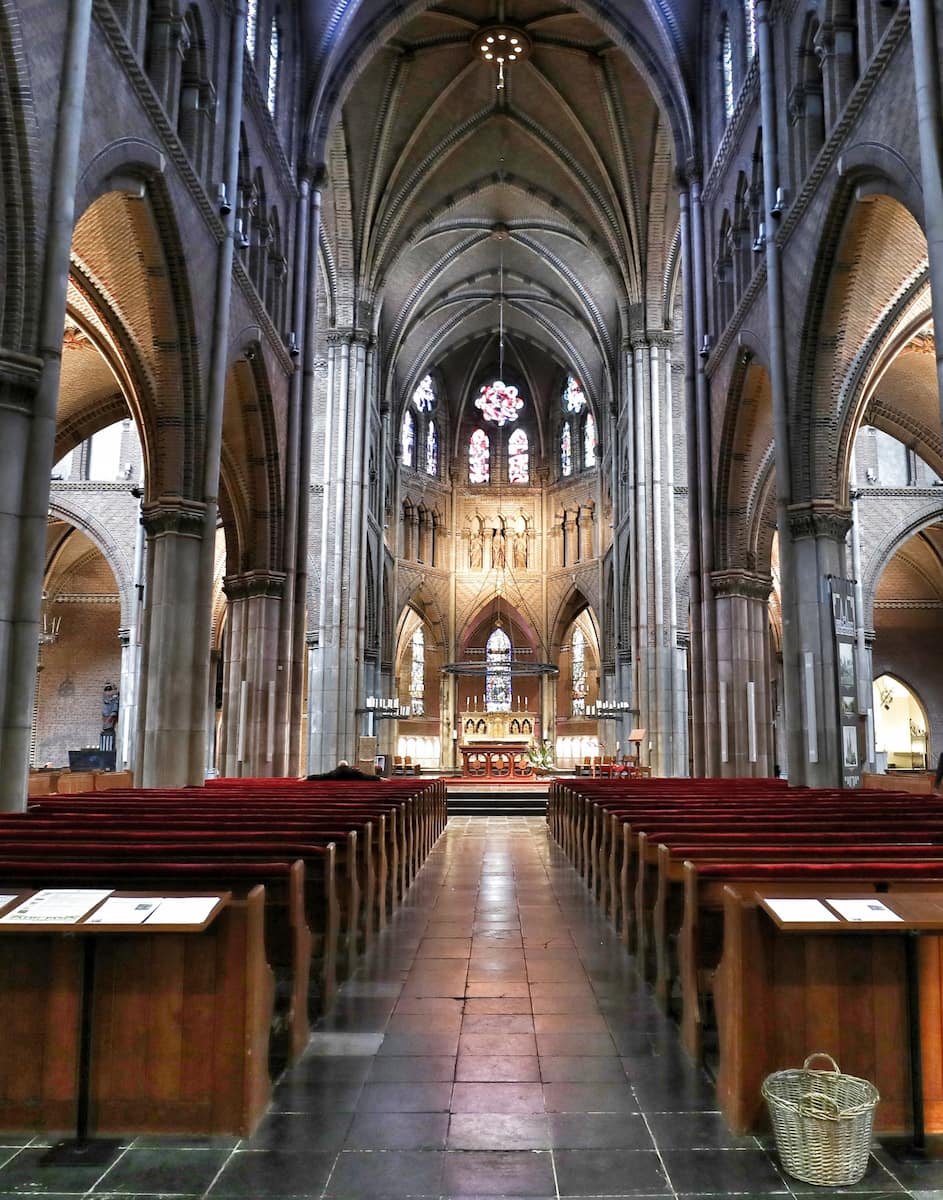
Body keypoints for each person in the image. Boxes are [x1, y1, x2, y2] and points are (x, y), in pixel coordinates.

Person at [305, 759, 382, 782]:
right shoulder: (354, 772)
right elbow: (366, 777)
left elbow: (321, 776)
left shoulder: (333, 773)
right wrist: (379, 778)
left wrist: (308, 777)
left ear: (339, 766)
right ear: (347, 765)